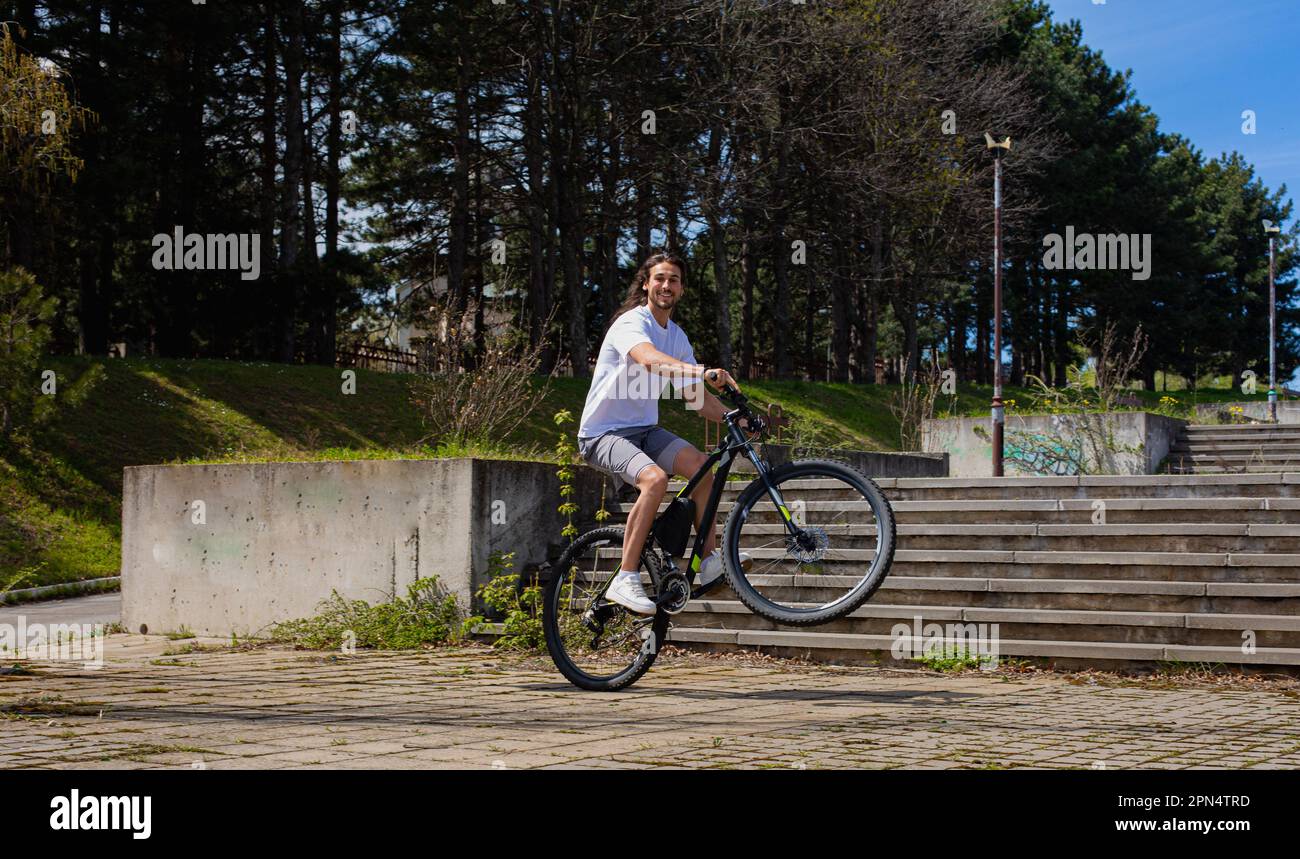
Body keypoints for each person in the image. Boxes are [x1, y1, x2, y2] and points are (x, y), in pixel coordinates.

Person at [576, 251, 750, 615]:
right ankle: (626, 577)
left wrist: (738, 418)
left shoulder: (678, 338)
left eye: (673, 280)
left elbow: (696, 399)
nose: (666, 285)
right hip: (602, 434)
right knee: (654, 480)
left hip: (644, 430)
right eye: (660, 278)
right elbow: (649, 359)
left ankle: (709, 563)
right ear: (646, 284)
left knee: (703, 468)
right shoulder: (631, 323)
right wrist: (701, 370)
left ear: (681, 289)